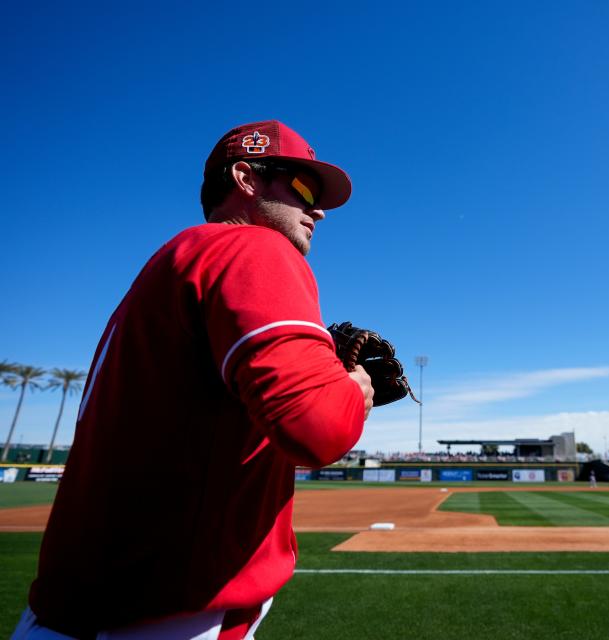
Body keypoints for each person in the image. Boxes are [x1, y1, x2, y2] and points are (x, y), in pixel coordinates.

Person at [13, 120, 375, 639]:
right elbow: (316, 429)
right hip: (173, 615)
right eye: (301, 187)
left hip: (72, 611)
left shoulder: (174, 261)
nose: (316, 208)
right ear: (247, 178)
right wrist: (352, 392)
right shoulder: (254, 248)